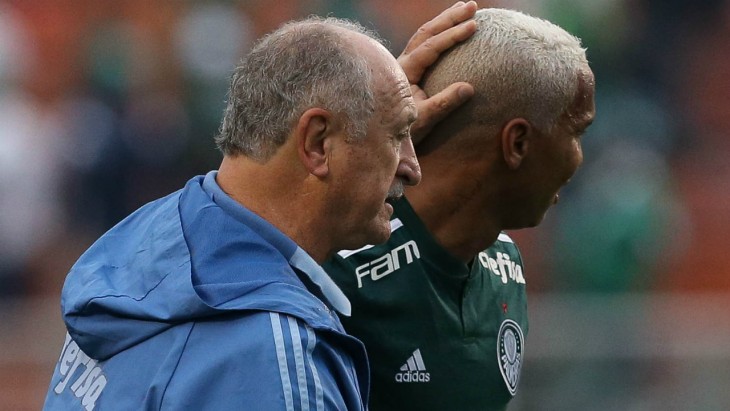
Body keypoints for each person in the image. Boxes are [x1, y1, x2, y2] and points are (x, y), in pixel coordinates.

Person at [42, 10, 477, 410]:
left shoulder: (145, 236)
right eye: (398, 135)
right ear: (317, 143)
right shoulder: (280, 363)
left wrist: (375, 108)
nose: (413, 168)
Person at [324, 7, 596, 411]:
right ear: (518, 143)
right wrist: (367, 132)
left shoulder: (505, 265)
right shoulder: (333, 266)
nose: (580, 158)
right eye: (576, 132)